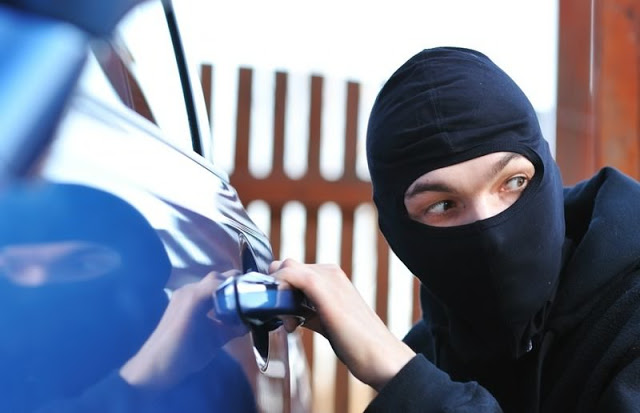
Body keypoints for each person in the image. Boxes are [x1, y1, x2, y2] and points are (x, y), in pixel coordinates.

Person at [270, 47, 640, 412]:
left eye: (512, 182)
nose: (490, 231)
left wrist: (408, 382)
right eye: (442, 206)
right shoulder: (427, 356)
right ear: (399, 233)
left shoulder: (629, 313)